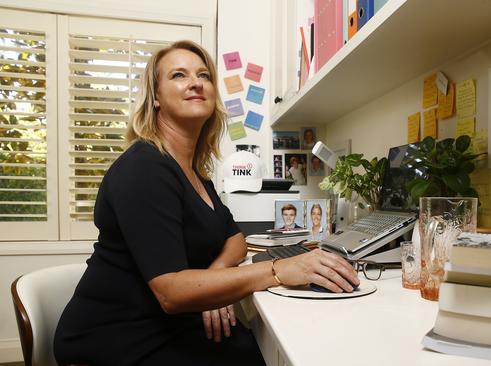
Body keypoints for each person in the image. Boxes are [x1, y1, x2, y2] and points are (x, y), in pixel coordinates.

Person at [53, 40, 358, 366]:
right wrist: (279, 270)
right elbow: (171, 292)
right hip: (117, 338)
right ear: (155, 97)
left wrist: (212, 281)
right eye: (179, 75)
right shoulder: (144, 167)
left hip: (166, 326)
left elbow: (236, 241)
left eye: (203, 75)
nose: (196, 82)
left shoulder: (196, 174)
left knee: (248, 347)